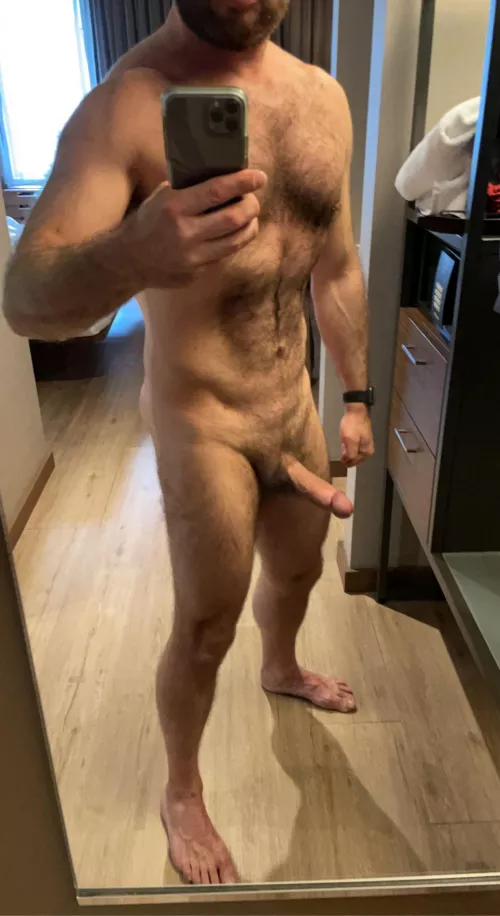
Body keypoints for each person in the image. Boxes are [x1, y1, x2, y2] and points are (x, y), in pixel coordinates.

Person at [3, 0, 374, 886]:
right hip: (201, 420)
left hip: (294, 405)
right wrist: (135, 252)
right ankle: (182, 789)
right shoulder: (126, 107)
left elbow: (337, 266)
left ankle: (281, 666)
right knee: (207, 622)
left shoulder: (324, 99)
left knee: (300, 572)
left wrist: (357, 397)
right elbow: (25, 299)